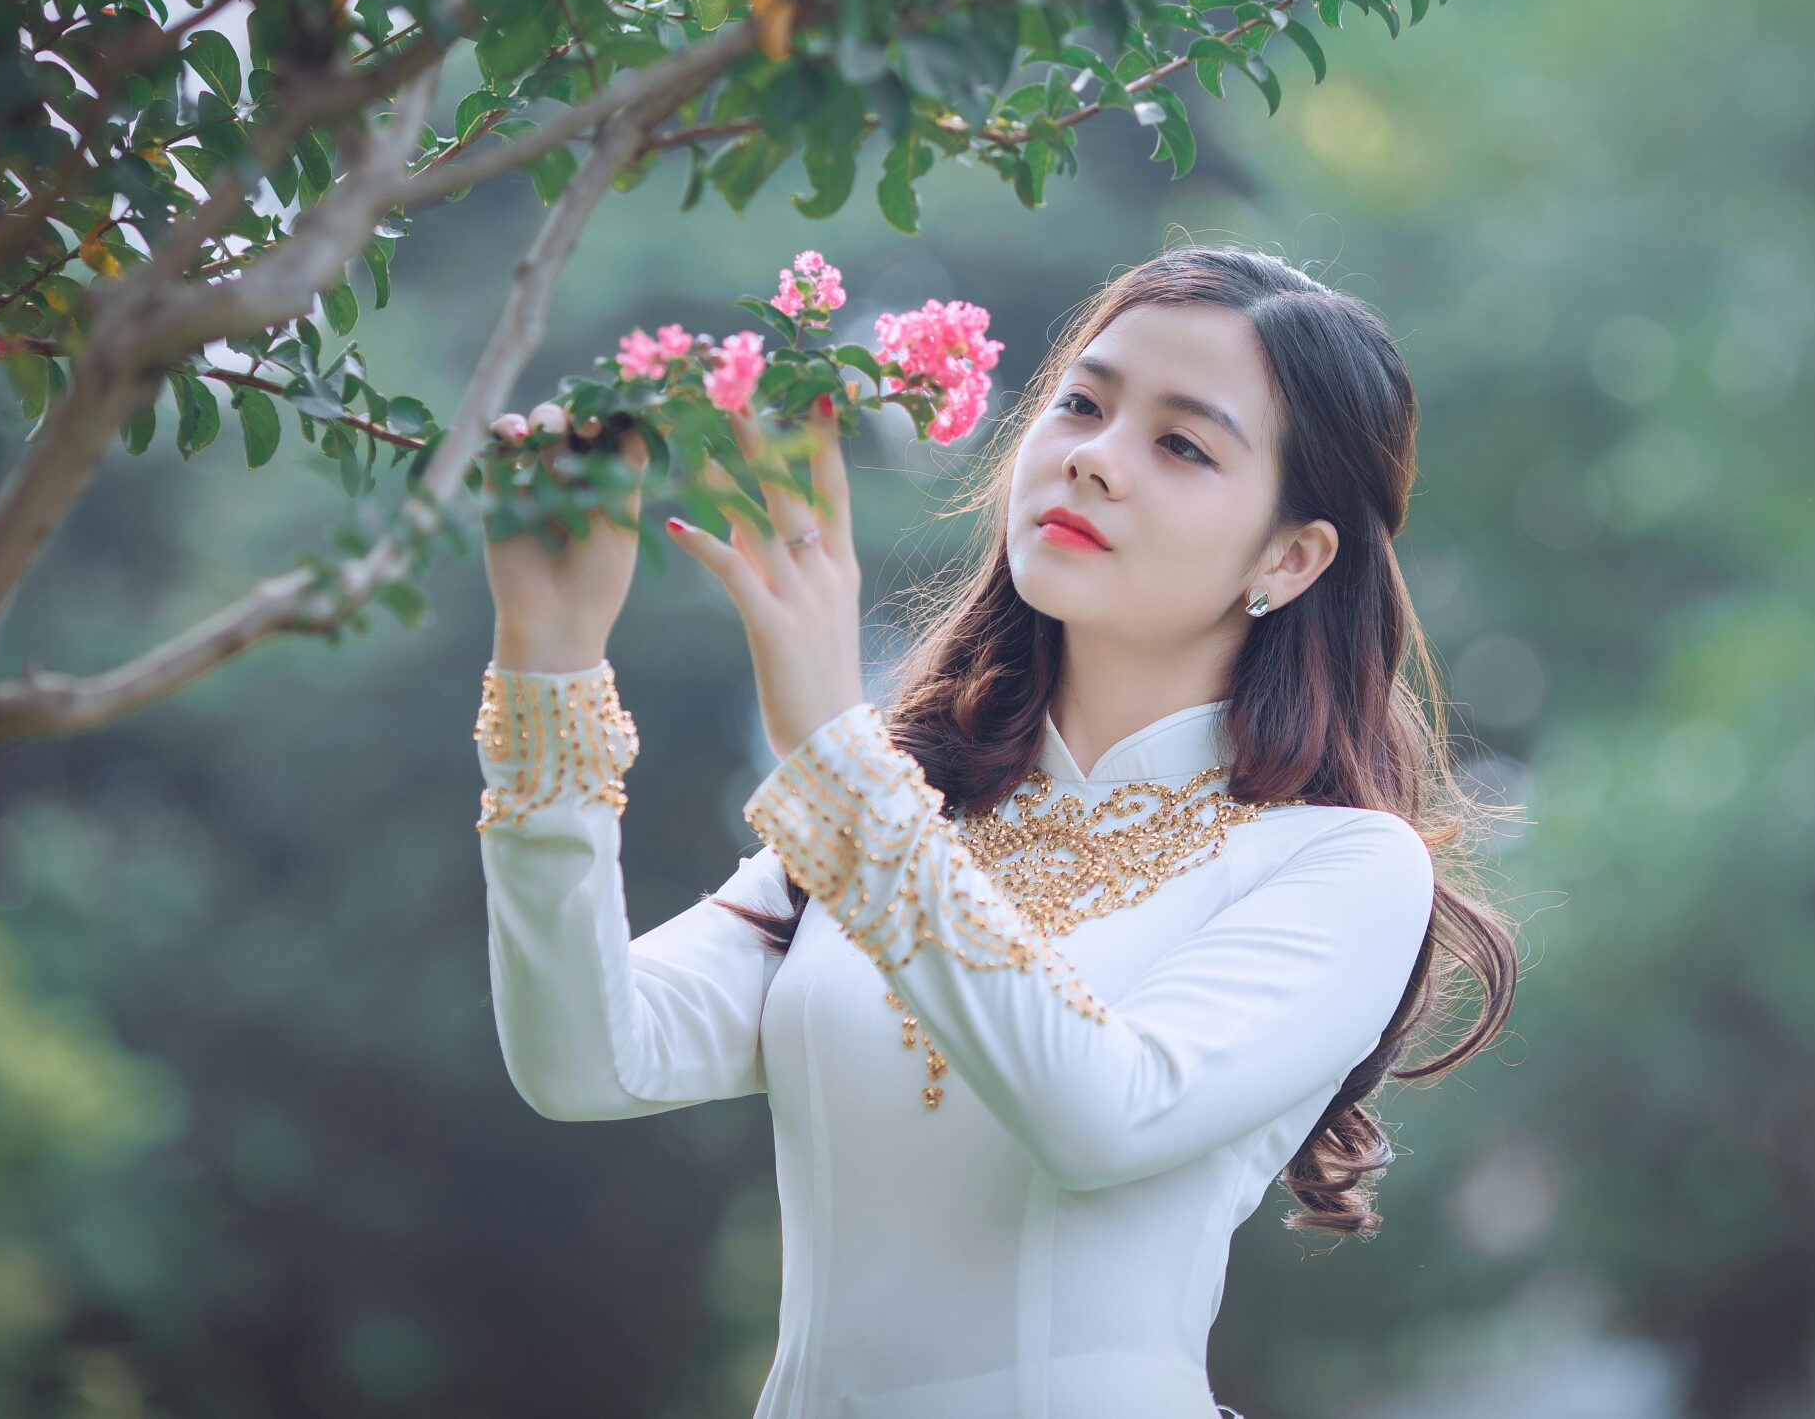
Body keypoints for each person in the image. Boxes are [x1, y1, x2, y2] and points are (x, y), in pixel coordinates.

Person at [472, 244, 1518, 1419]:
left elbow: (1100, 1115)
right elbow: (586, 1056)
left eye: (1181, 444)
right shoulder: (904, 811)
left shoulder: (1334, 865)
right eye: (1081, 402)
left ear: (1288, 556)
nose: (1092, 458)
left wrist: (832, 744)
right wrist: (550, 665)